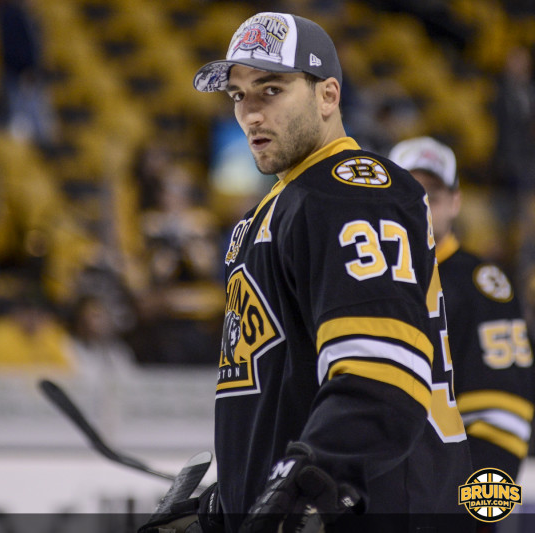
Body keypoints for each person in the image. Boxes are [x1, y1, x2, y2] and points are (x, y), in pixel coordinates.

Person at [141, 12, 473, 533]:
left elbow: (380, 376)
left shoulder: (350, 190)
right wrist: (228, 505)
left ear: (328, 96)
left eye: (270, 89)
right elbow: (280, 391)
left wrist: (312, 479)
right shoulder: (283, 204)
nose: (249, 113)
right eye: (237, 95)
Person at [389, 136, 535, 479]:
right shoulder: (358, 274)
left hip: (443, 495)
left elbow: (502, 411)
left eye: (433, 196)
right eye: (408, 193)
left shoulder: (481, 285)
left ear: (455, 202)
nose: (421, 206)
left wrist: (482, 508)